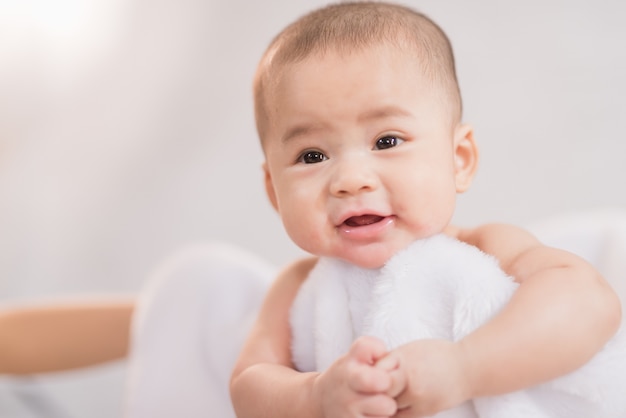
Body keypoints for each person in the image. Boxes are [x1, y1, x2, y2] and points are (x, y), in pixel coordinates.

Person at [229, 2, 622, 418]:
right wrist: (314, 395)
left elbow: (590, 302)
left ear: (458, 160)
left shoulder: (487, 248)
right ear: (274, 192)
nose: (350, 179)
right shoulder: (297, 286)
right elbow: (248, 384)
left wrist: (465, 367)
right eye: (311, 155)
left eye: (386, 141)